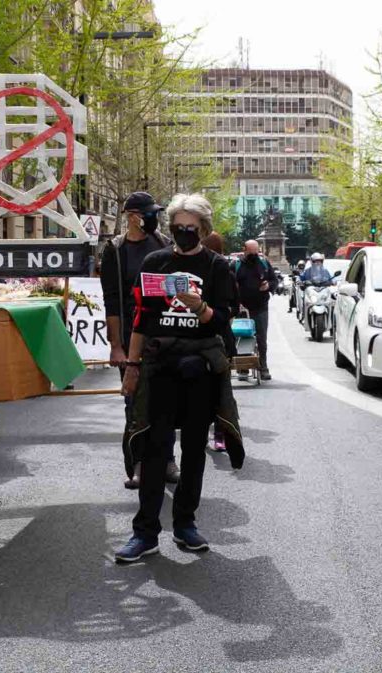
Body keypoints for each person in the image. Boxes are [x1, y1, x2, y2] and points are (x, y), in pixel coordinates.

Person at [115, 192, 245, 563]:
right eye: (177, 227)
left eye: (191, 227)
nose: (184, 233)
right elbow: (142, 318)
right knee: (154, 451)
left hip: (198, 371)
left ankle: (185, 524)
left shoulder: (218, 267)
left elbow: (222, 322)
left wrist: (198, 307)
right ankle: (145, 533)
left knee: (192, 450)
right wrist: (132, 367)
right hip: (159, 369)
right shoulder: (156, 262)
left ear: (203, 229)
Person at [100, 191, 179, 489]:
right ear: (133, 216)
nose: (154, 218)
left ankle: (168, 460)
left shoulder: (164, 245)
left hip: (164, 335)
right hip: (130, 337)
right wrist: (116, 346)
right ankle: (138, 464)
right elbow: (111, 300)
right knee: (134, 402)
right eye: (149, 214)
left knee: (166, 401)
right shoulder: (115, 250)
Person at [201, 231, 238, 453]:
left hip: (215, 339)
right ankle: (218, 434)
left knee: (213, 389)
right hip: (221, 338)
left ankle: (216, 433)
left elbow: (232, 305)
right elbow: (234, 305)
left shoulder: (222, 269)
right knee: (220, 389)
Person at [233, 239, 276, 381]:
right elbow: (228, 285)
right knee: (242, 336)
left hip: (261, 307)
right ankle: (243, 367)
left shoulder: (264, 263)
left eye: (255, 252)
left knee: (262, 338)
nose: (253, 255)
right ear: (244, 250)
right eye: (250, 252)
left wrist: (268, 285)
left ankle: (263, 367)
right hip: (242, 308)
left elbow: (274, 280)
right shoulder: (236, 265)